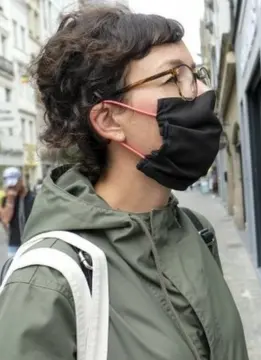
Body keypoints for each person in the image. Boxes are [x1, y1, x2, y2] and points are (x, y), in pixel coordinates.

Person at [0, 5, 248, 360]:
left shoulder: (196, 231)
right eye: (172, 78)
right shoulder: (46, 282)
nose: (201, 91)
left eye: (196, 73)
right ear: (110, 119)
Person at [0, 167, 36, 257]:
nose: (12, 187)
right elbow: (5, 220)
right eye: (10, 186)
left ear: (20, 181)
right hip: (14, 243)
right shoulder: (6, 200)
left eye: (14, 184)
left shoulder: (33, 198)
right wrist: (10, 200)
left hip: (32, 242)